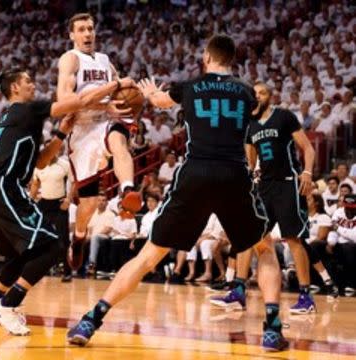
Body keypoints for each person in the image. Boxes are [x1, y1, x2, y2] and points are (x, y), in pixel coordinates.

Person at [67, 34, 287, 351]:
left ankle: (92, 319)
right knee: (264, 250)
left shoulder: (189, 86)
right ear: (232, 61)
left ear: (207, 58)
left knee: (148, 256)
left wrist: (149, 92)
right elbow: (252, 109)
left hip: (195, 172)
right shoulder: (247, 92)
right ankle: (272, 328)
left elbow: (157, 102)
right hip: (233, 173)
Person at [0, 68, 124, 336]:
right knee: (54, 246)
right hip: (8, 188)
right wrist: (116, 84)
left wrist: (62, 134)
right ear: (15, 87)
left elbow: (40, 161)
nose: (34, 83)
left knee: (21, 256)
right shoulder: (26, 109)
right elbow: (79, 101)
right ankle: (9, 305)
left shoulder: (10, 116)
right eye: (28, 80)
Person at [57, 13, 141, 271]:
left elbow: (122, 92)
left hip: (105, 121)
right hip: (81, 130)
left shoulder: (105, 60)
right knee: (90, 203)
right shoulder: (70, 59)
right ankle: (80, 236)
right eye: (81, 29)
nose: (87, 34)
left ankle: (127, 190)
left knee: (118, 141)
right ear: (71, 35)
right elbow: (64, 99)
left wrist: (131, 100)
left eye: (90, 29)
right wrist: (110, 94)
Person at [237, 82, 317, 314]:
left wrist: (308, 173)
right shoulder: (249, 126)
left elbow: (308, 149)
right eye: (254, 94)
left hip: (287, 183)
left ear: (270, 97)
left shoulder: (284, 117)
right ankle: (238, 290)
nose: (257, 96)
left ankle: (305, 296)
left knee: (293, 239)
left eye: (261, 93)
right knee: (251, 235)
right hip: (265, 186)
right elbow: (250, 163)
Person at [30, 144, 73, 282]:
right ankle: (42, 268)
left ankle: (67, 271)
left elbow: (74, 182)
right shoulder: (38, 166)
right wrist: (31, 200)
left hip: (59, 204)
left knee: (63, 239)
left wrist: (69, 199)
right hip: (44, 203)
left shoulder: (64, 165)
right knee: (41, 238)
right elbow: (35, 184)